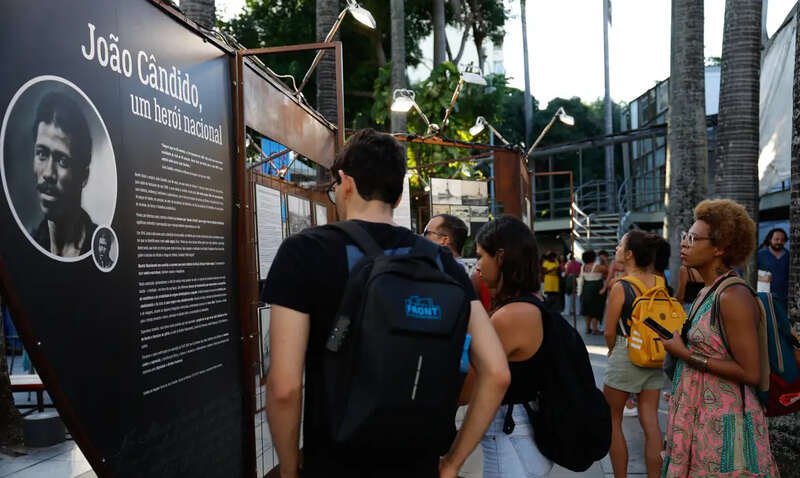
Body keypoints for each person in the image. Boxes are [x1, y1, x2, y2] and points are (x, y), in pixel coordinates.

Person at [261, 129, 509, 478]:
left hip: (335, 463)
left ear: (345, 183)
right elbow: (496, 372)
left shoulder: (305, 251)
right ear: (398, 195)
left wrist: (289, 470)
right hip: (418, 462)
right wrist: (453, 463)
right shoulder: (441, 262)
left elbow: (284, 388)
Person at [661, 199, 779, 477]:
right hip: (701, 415)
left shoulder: (732, 296)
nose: (684, 243)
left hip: (725, 421)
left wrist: (685, 354)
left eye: (693, 238)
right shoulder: (707, 291)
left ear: (720, 247)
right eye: (685, 236)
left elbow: (750, 372)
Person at [460, 216, 553, 478]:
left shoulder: (510, 316)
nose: (477, 266)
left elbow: (468, 388)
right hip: (523, 435)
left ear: (500, 257)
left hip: (510, 436)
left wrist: (453, 459)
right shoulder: (530, 302)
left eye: (481, 256)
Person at [603, 230, 666, 478]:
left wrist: (612, 350)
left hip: (626, 351)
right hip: (654, 355)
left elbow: (609, 331)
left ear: (629, 254)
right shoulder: (659, 282)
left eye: (620, 245)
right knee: (650, 422)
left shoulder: (621, 286)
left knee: (613, 420)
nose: (616, 249)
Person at [30, 92, 96, 257]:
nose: (48, 173)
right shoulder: (29, 247)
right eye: (42, 154)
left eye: (62, 161)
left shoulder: (99, 246)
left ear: (84, 176)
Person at [757, 227, 789, 309]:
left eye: (782, 240)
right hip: (765, 298)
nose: (779, 242)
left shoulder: (788, 256)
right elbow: (743, 272)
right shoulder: (760, 254)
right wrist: (760, 277)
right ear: (770, 240)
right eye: (776, 239)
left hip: (784, 299)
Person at [580, 250, 607, 335]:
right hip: (596, 289)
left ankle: (587, 328)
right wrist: (604, 261)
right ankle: (595, 329)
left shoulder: (583, 267)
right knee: (596, 309)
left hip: (586, 288)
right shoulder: (598, 267)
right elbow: (608, 270)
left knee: (587, 309)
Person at [562, 252, 582, 318]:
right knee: (576, 297)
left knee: (567, 296)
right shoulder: (578, 264)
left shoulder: (569, 264)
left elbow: (566, 273)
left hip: (570, 279)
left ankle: (567, 311)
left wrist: (563, 275)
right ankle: (577, 311)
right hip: (577, 279)